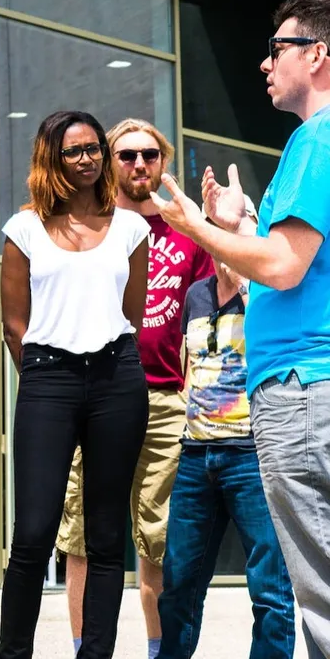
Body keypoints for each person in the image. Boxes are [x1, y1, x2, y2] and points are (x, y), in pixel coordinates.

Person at [151, 0, 330, 658]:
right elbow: (298, 269)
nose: (264, 64)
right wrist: (244, 227)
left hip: (301, 391)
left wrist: (199, 229)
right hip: (309, 384)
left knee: (318, 592)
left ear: (317, 55)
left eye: (277, 49)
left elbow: (283, 267)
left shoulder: (316, 139)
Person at [57, 119, 212, 659]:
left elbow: (211, 318)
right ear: (109, 162)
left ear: (163, 162)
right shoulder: (90, 228)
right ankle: (85, 649)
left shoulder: (189, 236)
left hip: (167, 400)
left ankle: (159, 651)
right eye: (126, 156)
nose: (139, 164)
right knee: (82, 537)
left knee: (159, 540)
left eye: (150, 154)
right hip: (94, 392)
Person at [0, 110, 150, 659]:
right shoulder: (24, 228)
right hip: (48, 381)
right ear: (51, 159)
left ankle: (96, 653)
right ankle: (12, 653)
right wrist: (42, 374)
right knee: (34, 533)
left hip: (117, 379)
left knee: (107, 536)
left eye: (93, 149)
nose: (86, 159)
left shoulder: (133, 229)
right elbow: (14, 323)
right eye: (72, 151)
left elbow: (129, 312)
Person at [157, 198, 295, 659]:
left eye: (229, 230)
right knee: (177, 585)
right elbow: (188, 365)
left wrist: (245, 279)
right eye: (212, 228)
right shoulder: (195, 295)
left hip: (251, 454)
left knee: (270, 589)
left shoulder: (263, 291)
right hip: (197, 455)